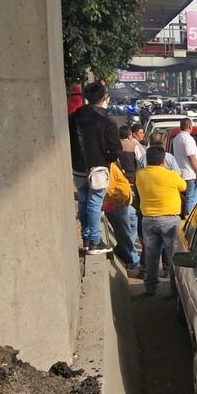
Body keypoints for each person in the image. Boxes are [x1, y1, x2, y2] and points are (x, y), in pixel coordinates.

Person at [69, 82, 121, 254]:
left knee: (84, 202)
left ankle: (86, 238)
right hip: (98, 168)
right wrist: (107, 159)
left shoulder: (74, 117)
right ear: (104, 97)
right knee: (94, 203)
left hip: (77, 167)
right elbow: (115, 150)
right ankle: (95, 242)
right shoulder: (108, 120)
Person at [135, 146, 187, 297]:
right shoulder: (171, 175)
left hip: (148, 220)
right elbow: (184, 187)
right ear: (163, 161)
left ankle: (150, 288)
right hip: (170, 220)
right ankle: (174, 291)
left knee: (151, 256)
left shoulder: (140, 175)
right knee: (172, 256)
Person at [106, 125, 141, 269]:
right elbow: (112, 186)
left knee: (132, 219)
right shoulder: (109, 165)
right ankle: (132, 260)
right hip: (117, 201)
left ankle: (124, 248)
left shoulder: (114, 163)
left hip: (122, 200)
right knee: (124, 231)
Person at [172, 118, 197, 215]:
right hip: (190, 173)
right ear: (190, 126)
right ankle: (189, 216)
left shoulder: (177, 138)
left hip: (181, 172)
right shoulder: (188, 139)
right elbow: (191, 156)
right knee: (192, 197)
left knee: (188, 197)